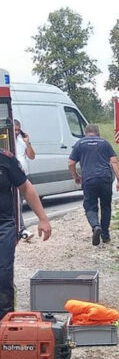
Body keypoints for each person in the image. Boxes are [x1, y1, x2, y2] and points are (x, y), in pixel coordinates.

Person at [0, 148, 51, 320]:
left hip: (3, 225)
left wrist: (43, 219)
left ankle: (4, 323)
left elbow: (25, 186)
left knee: (3, 274)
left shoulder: (5, 158)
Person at [67, 124, 119, 246]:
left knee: (90, 206)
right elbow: (114, 162)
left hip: (89, 179)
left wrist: (76, 176)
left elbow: (71, 163)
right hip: (105, 178)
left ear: (85, 132)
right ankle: (105, 235)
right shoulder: (105, 143)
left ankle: (95, 226)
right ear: (98, 133)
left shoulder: (80, 144)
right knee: (106, 206)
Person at [14, 119, 35, 240]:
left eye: (18, 130)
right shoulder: (7, 140)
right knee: (16, 202)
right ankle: (21, 229)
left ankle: (20, 228)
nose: (17, 132)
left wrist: (28, 143)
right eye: (15, 130)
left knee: (19, 202)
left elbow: (31, 156)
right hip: (13, 176)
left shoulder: (21, 141)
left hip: (23, 175)